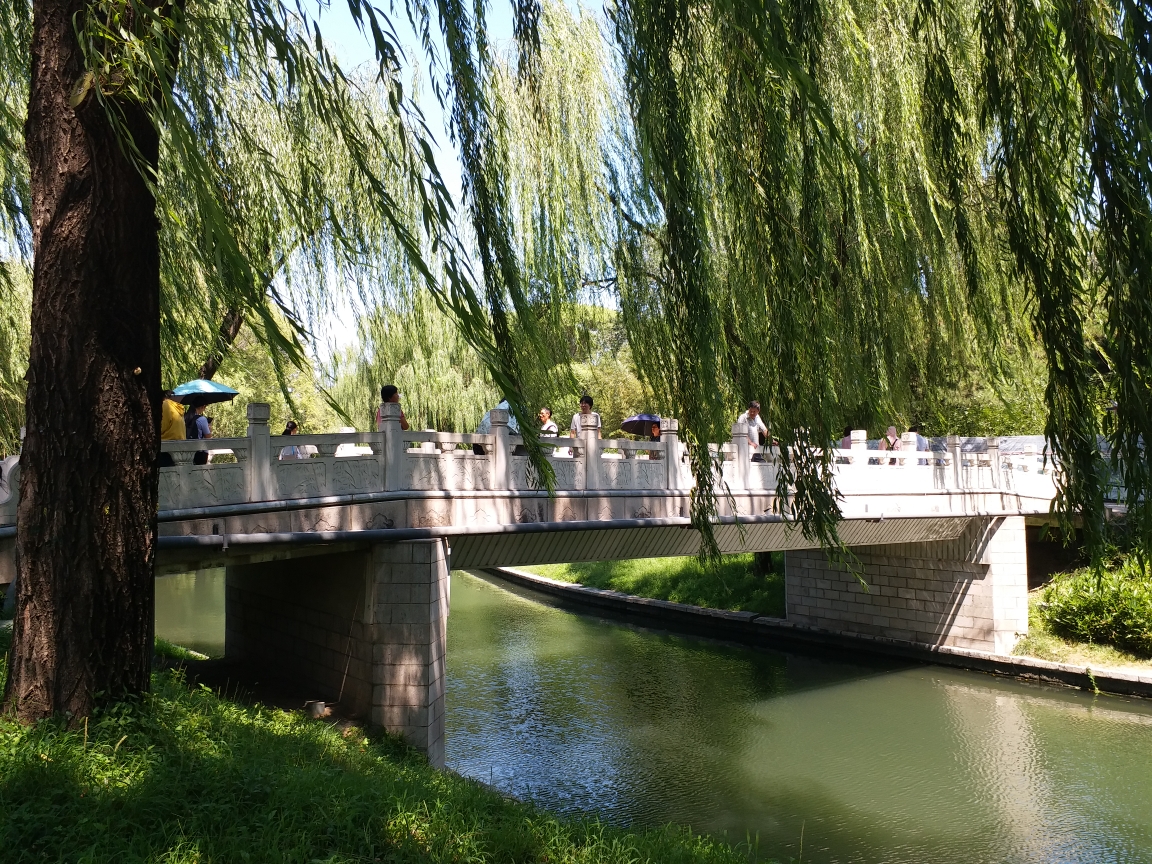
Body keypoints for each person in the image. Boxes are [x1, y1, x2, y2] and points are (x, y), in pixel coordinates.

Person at [159, 390, 185, 467]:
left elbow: (162, 427)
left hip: (166, 449)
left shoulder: (165, 405)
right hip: (179, 448)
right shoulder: (178, 408)